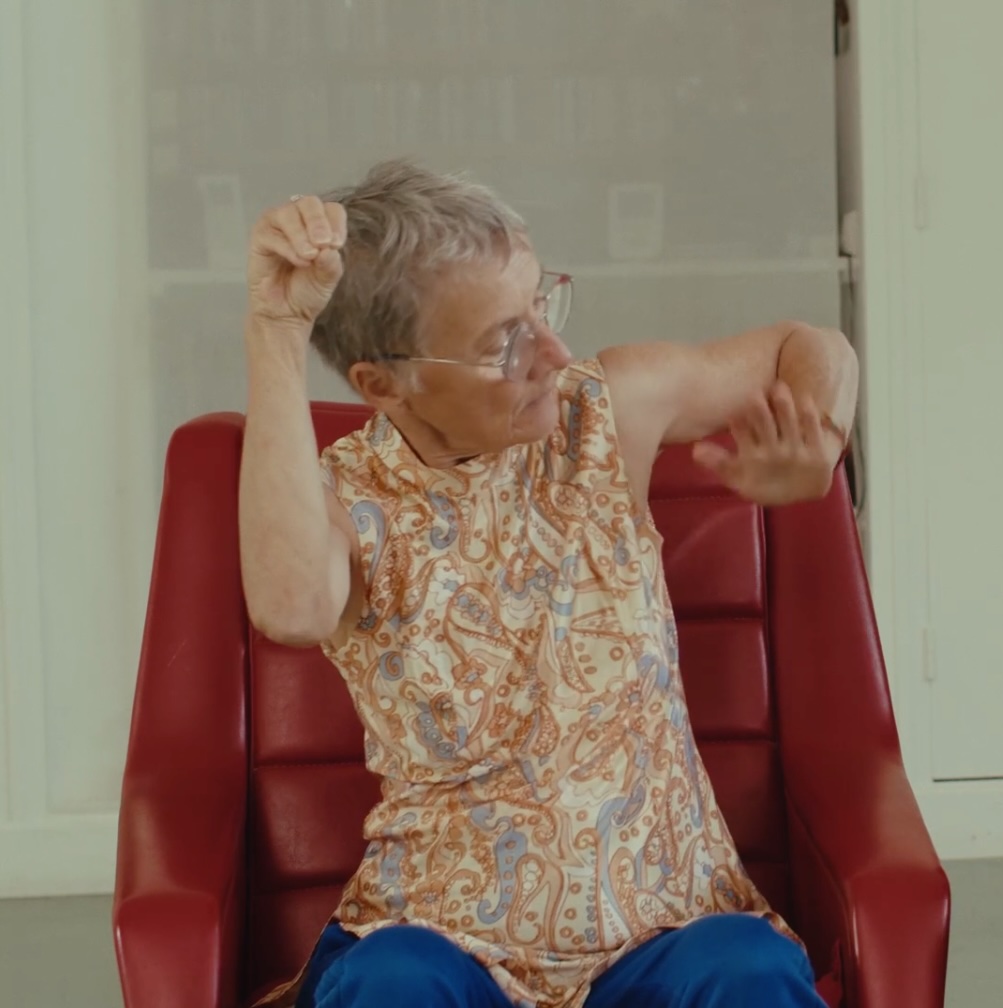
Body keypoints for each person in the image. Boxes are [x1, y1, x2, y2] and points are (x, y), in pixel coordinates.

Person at [239, 160, 856, 1008]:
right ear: (385, 383)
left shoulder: (603, 411)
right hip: (447, 941)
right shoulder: (345, 499)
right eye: (502, 340)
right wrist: (275, 329)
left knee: (746, 967)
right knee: (390, 984)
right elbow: (290, 607)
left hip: (663, 927)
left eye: (542, 302)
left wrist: (816, 440)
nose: (553, 351)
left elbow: (811, 347)